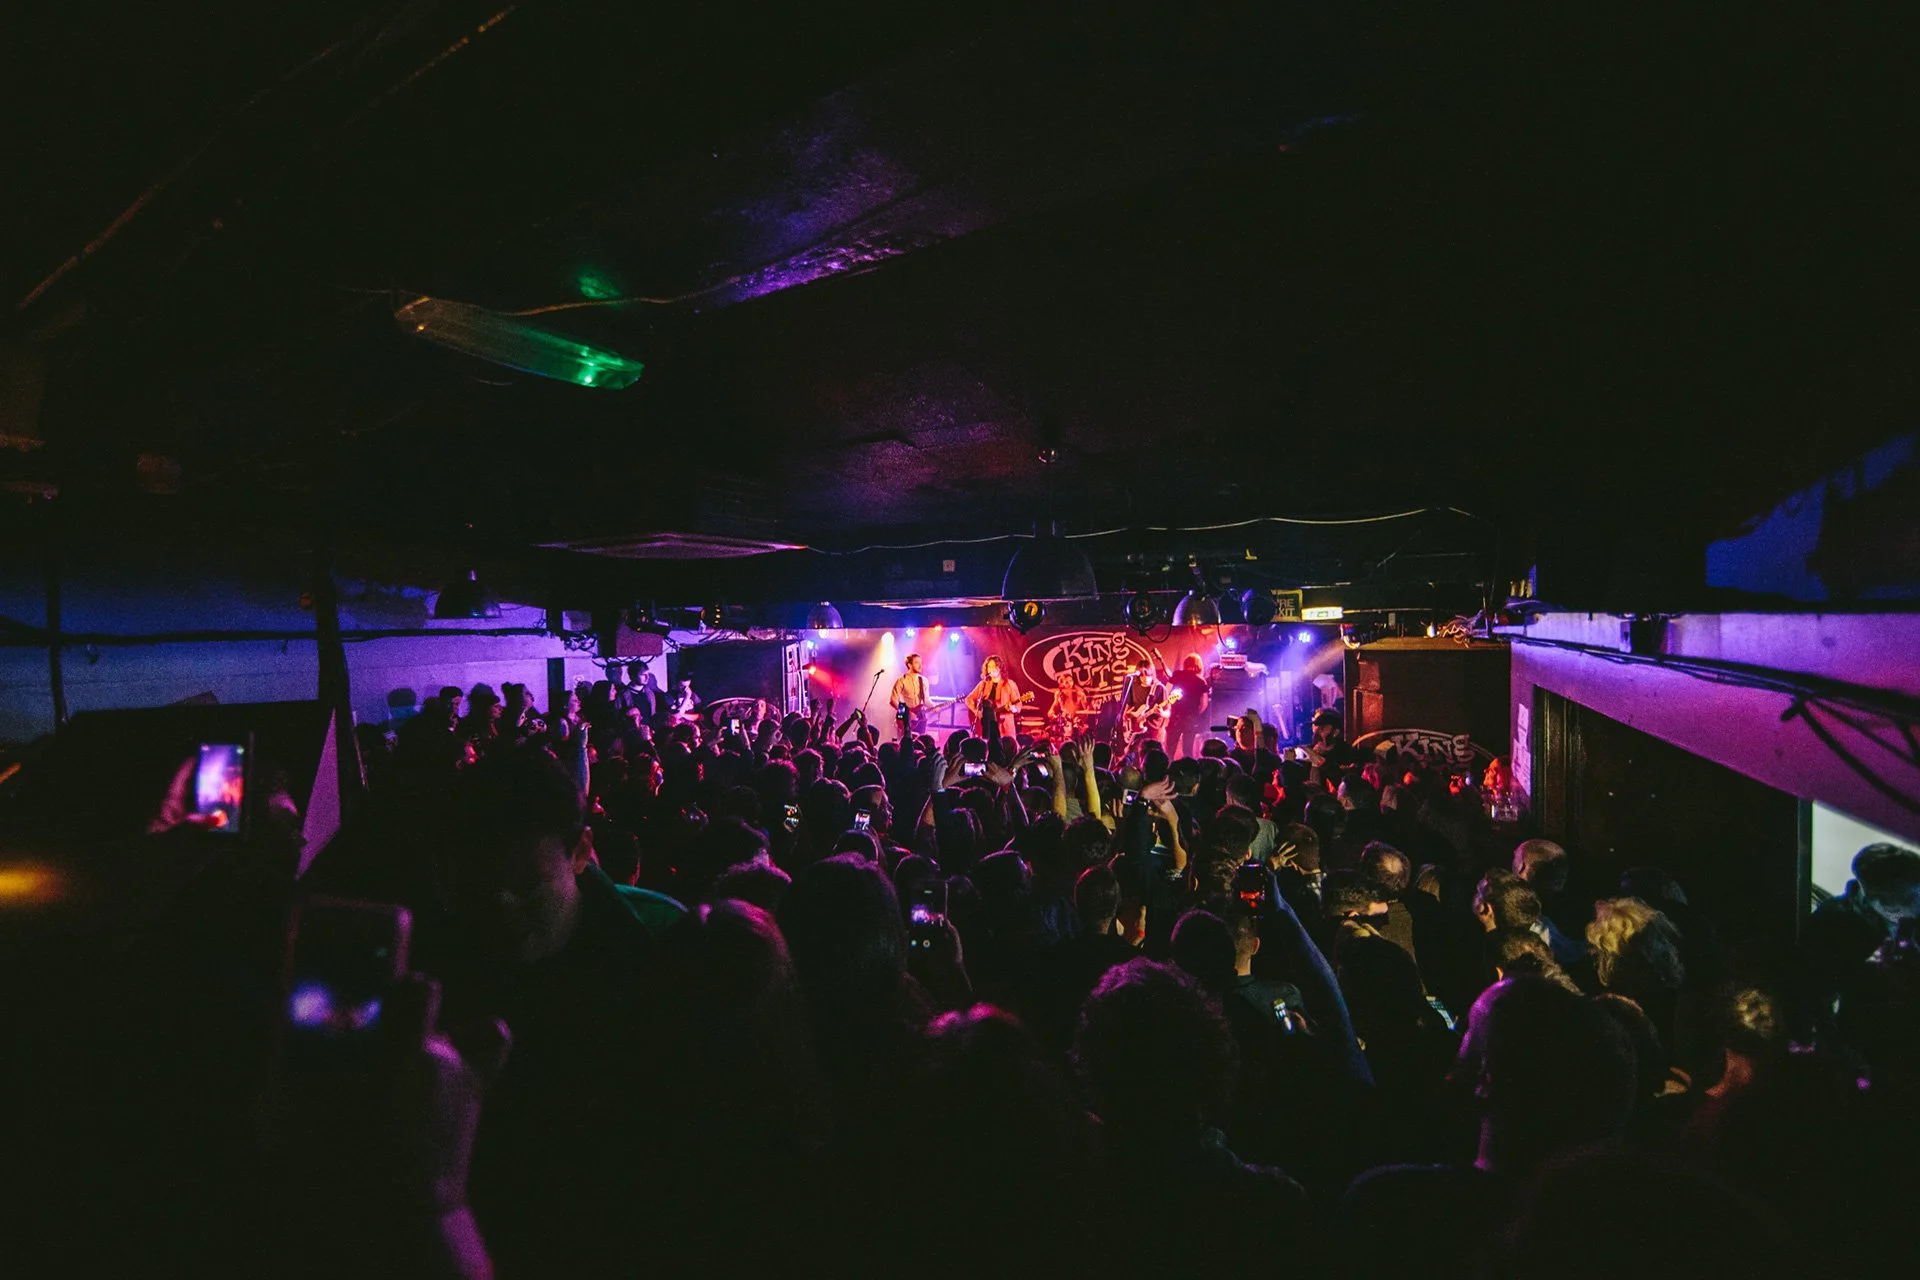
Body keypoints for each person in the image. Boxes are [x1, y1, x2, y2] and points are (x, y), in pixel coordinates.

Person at [963, 656, 1023, 743]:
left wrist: (1014, 709)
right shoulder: (983, 684)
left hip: (1004, 727)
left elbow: (1018, 704)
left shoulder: (1009, 684)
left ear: (1000, 668)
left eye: (995, 666)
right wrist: (977, 712)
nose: (992, 669)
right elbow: (968, 699)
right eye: (989, 667)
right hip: (987, 727)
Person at [1165, 653, 1211, 759]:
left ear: (1185, 664)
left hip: (1175, 716)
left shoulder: (1177, 675)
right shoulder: (1201, 681)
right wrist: (1195, 714)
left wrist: (1170, 706)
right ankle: (1188, 768)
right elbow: (1204, 704)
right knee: (1188, 750)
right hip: (1191, 718)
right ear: (1199, 665)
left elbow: (1166, 691)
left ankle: (1167, 768)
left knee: (1169, 750)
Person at [888, 652, 934, 741]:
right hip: (904, 716)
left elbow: (926, 700)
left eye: (921, 663)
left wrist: (934, 706)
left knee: (920, 741)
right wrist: (907, 713)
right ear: (909, 665)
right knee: (905, 741)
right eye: (917, 663)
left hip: (920, 716)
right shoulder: (901, 680)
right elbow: (892, 700)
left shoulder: (924, 680)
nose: (920, 665)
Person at [1046, 669, 1089, 741]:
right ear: (1061, 684)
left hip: (1077, 721)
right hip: (1065, 722)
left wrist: (1079, 718)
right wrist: (1053, 715)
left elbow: (1086, 712)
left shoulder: (1080, 693)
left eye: (1071, 681)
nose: (1070, 684)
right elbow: (1052, 709)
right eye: (1066, 682)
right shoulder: (1058, 694)